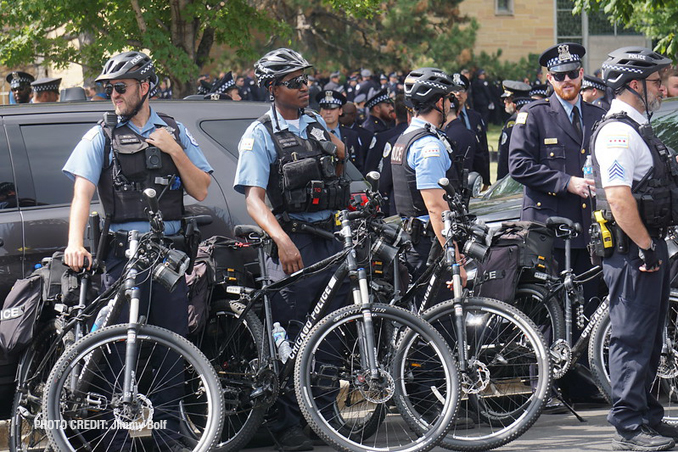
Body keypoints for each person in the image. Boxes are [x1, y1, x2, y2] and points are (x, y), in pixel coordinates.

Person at [62, 51, 212, 452]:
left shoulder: (176, 132)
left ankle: (165, 438)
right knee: (116, 350)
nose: (113, 94)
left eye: (120, 86)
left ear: (146, 87)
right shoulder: (102, 134)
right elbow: (81, 194)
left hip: (168, 255)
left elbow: (200, 189)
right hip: (122, 257)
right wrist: (75, 243)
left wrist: (173, 149)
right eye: (108, 87)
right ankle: (115, 442)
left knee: (169, 348)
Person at [233, 48, 350, 451]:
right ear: (272, 88)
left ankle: (324, 412)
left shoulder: (316, 122)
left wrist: (336, 154)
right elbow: (253, 199)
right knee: (291, 334)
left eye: (306, 79)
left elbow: (339, 161)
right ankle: (287, 423)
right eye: (294, 82)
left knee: (331, 330)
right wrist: (281, 239)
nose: (305, 87)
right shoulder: (260, 133)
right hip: (290, 244)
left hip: (326, 240)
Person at [592, 46, 678, 451]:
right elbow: (618, 197)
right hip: (633, 252)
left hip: (647, 246)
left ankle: (647, 417)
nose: (662, 87)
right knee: (631, 338)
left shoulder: (637, 126)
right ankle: (628, 426)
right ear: (633, 86)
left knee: (649, 338)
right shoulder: (618, 132)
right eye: (655, 82)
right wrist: (645, 248)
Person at [391, 67, 460, 282]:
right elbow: (436, 208)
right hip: (430, 245)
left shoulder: (407, 137)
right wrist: (455, 259)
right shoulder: (429, 144)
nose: (450, 105)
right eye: (448, 99)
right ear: (439, 103)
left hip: (413, 241)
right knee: (442, 314)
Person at [450, 73, 491, 190]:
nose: (458, 94)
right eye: (454, 90)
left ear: (467, 94)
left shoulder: (475, 117)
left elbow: (483, 149)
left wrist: (486, 179)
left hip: (473, 176)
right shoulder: (442, 118)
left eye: (461, 90)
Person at [316, 89, 364, 171]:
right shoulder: (313, 135)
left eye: (332, 109)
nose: (328, 112)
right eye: (324, 108)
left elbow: (359, 165)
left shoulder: (352, 135)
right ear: (320, 111)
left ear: (340, 111)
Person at [496, 80, 532, 180]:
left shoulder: (512, 124)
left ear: (515, 101)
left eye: (507, 99)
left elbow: (504, 158)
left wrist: (500, 182)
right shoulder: (533, 119)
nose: (504, 102)